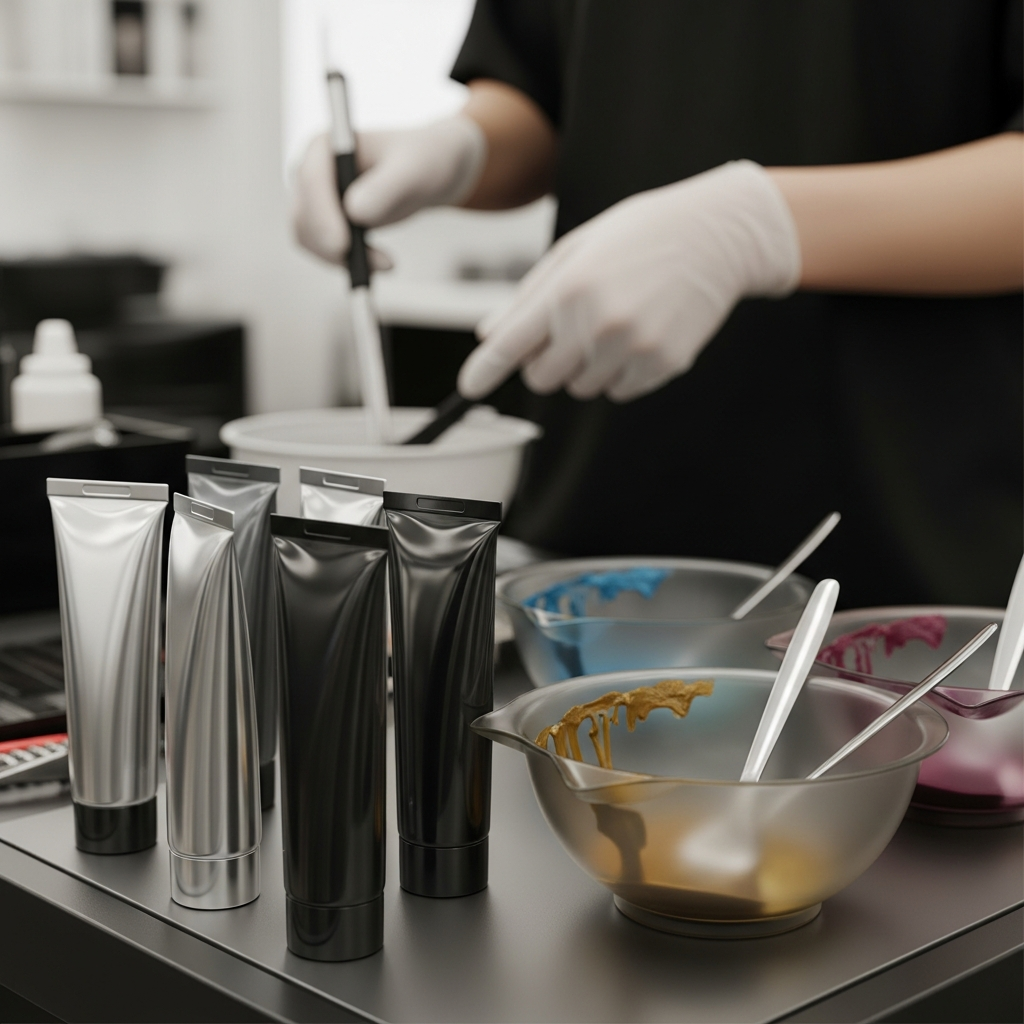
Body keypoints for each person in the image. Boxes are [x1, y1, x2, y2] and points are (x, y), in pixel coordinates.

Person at [294, 1, 1023, 607]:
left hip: (916, 569)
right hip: (585, 560)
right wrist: (462, 149)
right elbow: (544, 90)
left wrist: (760, 226)